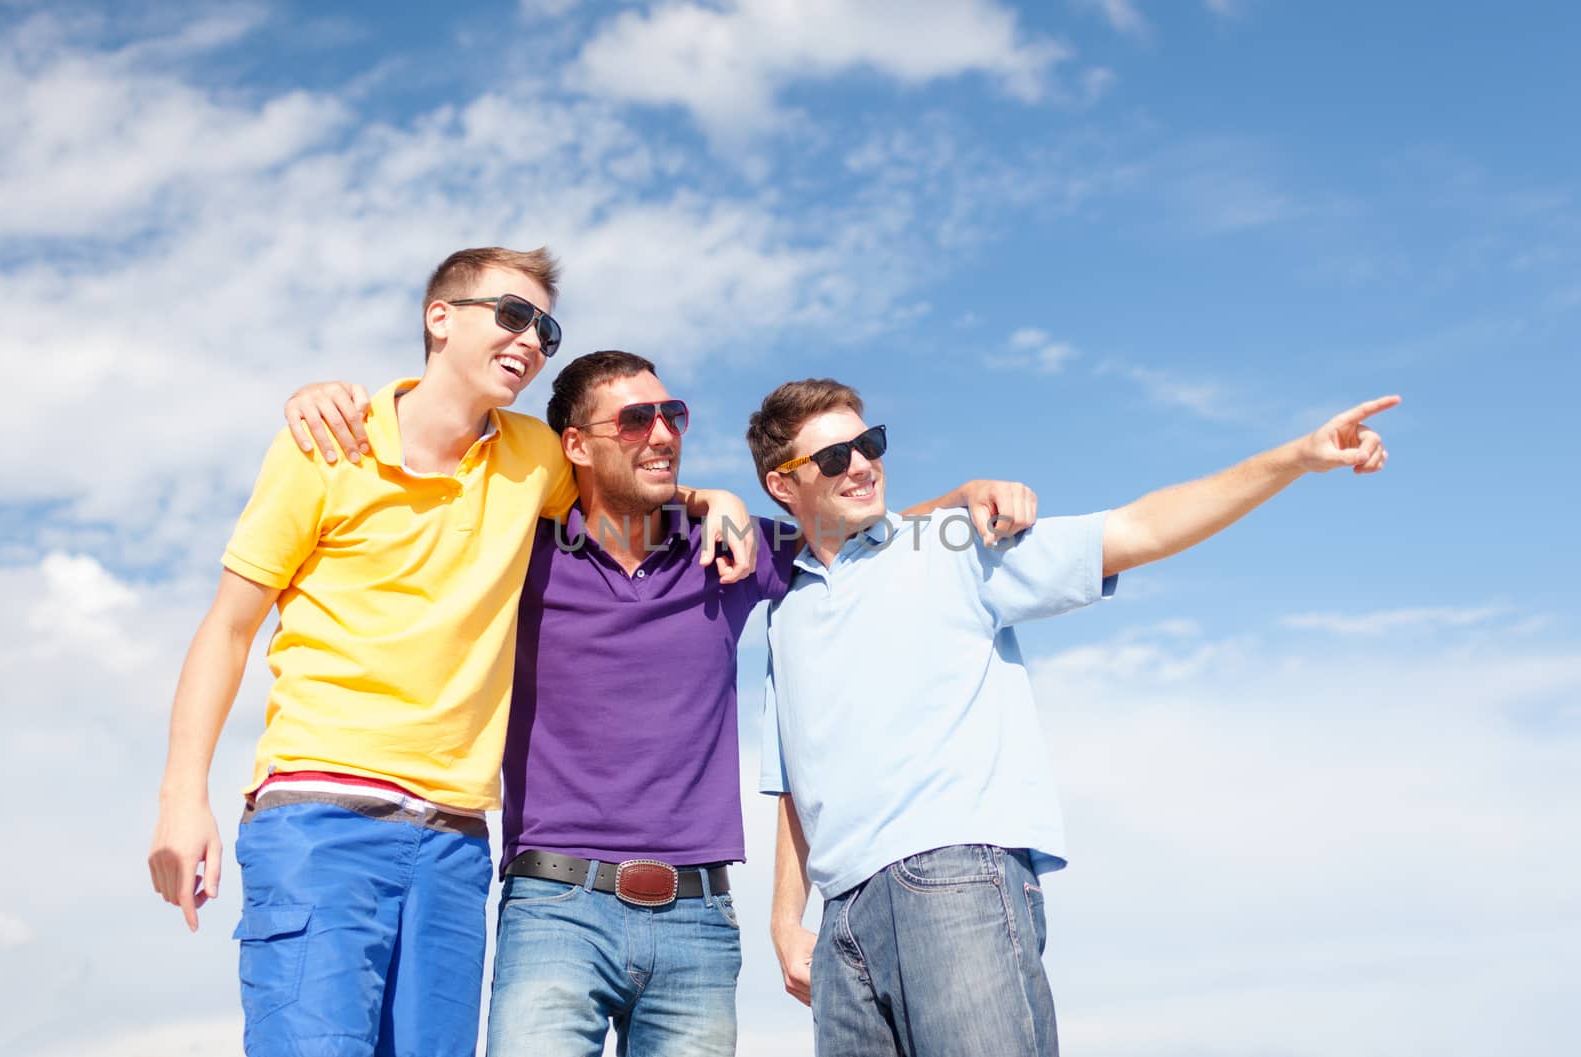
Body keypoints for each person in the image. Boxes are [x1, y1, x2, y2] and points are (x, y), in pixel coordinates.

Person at [282, 352, 1034, 1057]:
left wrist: (959, 503)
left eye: (671, 413)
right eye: (636, 420)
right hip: (551, 909)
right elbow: (435, 472)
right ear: (574, 445)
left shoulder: (728, 551)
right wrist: (330, 400)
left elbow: (849, 527)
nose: (664, 433)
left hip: (699, 922)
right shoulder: (521, 550)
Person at [146, 248, 749, 1057]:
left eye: (546, 328)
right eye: (512, 315)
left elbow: (628, 476)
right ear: (440, 317)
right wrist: (183, 799)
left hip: (456, 847)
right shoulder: (325, 444)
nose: (531, 340)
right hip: (321, 822)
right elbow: (226, 628)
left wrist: (716, 495)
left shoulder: (534, 457)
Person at [746, 378, 1397, 1057]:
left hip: (953, 882)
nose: (860, 464)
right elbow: (795, 773)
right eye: (832, 458)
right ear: (781, 485)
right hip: (842, 920)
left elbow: (1139, 529)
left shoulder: (948, 545)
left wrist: (1295, 456)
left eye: (868, 443)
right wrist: (784, 919)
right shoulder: (784, 614)